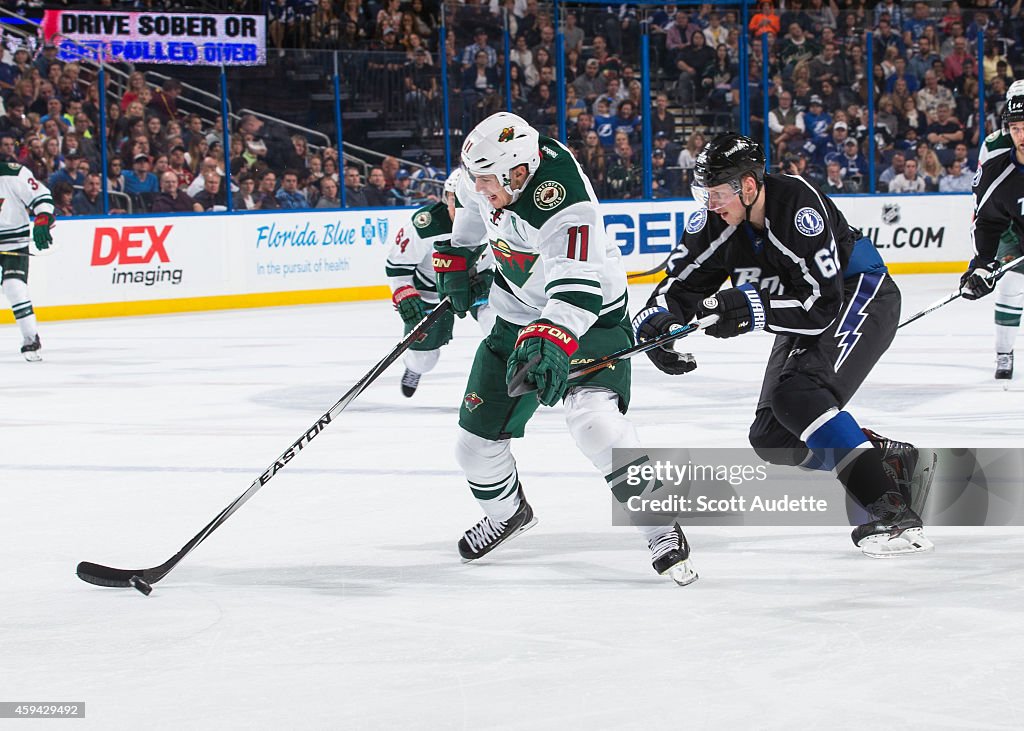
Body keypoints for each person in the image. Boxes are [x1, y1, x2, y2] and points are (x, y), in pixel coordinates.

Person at [633, 133, 932, 558]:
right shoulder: (716, 222)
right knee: (773, 436)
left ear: (749, 185)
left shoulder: (797, 206)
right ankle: (882, 459)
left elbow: (822, 305)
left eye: (718, 193)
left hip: (859, 294)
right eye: (706, 193)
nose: (711, 204)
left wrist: (749, 305)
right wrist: (659, 324)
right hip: (801, 310)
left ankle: (892, 511)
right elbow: (677, 287)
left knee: (800, 395)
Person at [432, 112, 698, 584]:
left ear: (519, 171)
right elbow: (473, 203)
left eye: (488, 181)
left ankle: (658, 526)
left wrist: (552, 337)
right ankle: (508, 514)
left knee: (595, 425)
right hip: (515, 312)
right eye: (476, 178)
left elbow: (577, 286)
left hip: (589, 318)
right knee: (472, 446)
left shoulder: (564, 201)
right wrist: (459, 254)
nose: (480, 188)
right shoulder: (492, 171)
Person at [386, 170, 494, 397]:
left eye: (466, 201)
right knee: (424, 359)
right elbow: (398, 266)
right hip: (432, 293)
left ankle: (512, 370)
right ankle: (414, 367)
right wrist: (404, 292)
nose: (459, 207)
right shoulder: (426, 225)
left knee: (497, 325)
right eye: (454, 199)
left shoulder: (497, 218)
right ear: (446, 198)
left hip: (477, 285)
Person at [961, 81, 1024, 381]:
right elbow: (986, 209)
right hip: (1010, 222)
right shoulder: (995, 149)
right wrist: (981, 262)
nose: (1021, 135)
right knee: (1011, 284)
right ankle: (1004, 352)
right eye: (1017, 127)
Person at [0, 161, 54, 361]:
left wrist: (42, 218)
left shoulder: (13, 173)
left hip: (13, 243)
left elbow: (40, 196)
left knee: (14, 287)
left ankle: (30, 338)